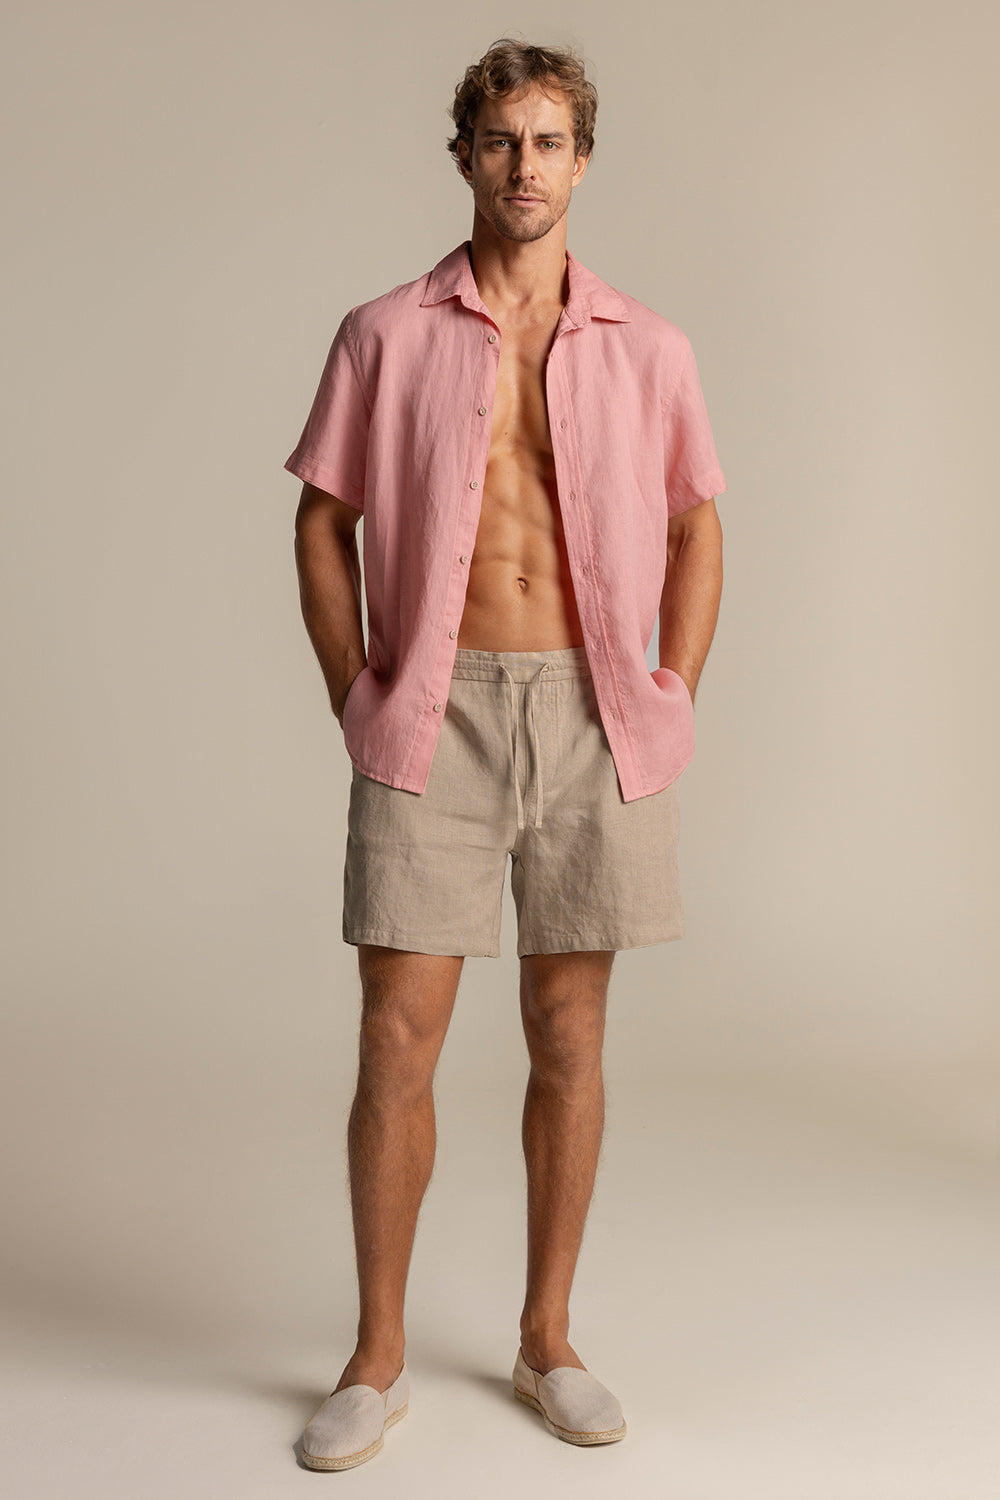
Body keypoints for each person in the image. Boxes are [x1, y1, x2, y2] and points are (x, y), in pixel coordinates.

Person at [283, 37, 726, 1470]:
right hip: (436, 708)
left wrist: (669, 692)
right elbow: (323, 519)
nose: (523, 166)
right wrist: (359, 694)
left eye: (547, 142)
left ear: (582, 161)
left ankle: (548, 1338)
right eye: (499, 140)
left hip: (596, 713)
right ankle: (376, 1357)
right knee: (395, 1033)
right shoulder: (383, 333)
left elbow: (697, 527)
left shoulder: (650, 344)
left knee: (569, 1032)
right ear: (463, 154)